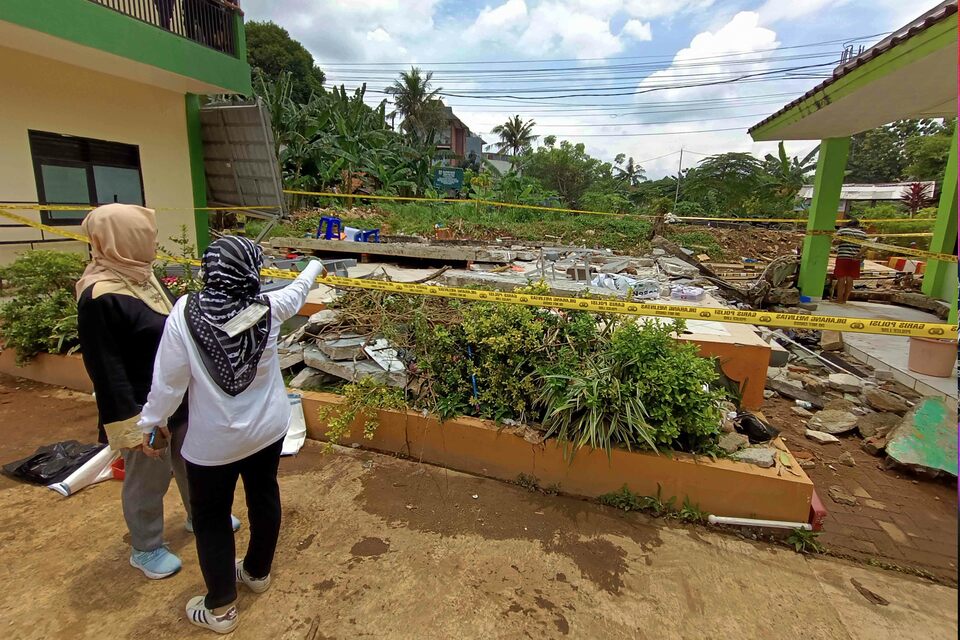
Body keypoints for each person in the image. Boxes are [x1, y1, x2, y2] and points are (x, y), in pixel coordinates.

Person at [138, 236, 324, 634]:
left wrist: (151, 424)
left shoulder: (185, 314)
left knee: (211, 519)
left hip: (213, 442)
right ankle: (257, 572)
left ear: (210, 269)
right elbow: (298, 289)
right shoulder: (269, 308)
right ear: (253, 271)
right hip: (269, 430)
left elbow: (168, 384)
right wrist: (313, 265)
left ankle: (220, 607)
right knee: (264, 494)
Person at [76, 204, 240, 581]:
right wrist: (134, 426)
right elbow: (106, 369)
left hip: (178, 395)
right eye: (147, 237)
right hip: (142, 405)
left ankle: (199, 517)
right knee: (147, 477)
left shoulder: (143, 277)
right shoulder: (100, 297)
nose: (153, 243)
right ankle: (146, 546)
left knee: (191, 462)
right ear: (124, 240)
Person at [833, 218, 868, 304]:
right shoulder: (862, 233)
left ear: (848, 224)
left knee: (841, 278)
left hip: (843, 257)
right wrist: (858, 255)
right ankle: (845, 299)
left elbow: (835, 242)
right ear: (857, 225)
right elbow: (867, 246)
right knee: (850, 278)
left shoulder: (843, 231)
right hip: (855, 259)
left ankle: (839, 299)